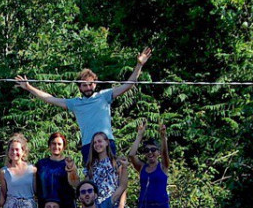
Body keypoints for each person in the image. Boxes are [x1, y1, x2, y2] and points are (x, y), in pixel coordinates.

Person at [14, 47, 152, 163]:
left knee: (111, 179)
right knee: (92, 182)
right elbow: (50, 99)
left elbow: (129, 85)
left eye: (90, 84)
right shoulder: (75, 103)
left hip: (107, 142)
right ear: (79, 87)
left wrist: (139, 65)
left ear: (95, 84)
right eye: (84, 85)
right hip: (88, 145)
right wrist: (29, 87)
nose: (88, 88)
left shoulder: (104, 96)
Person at [127, 119, 172, 208]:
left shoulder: (163, 166)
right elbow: (131, 155)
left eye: (153, 150)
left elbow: (165, 155)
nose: (150, 153)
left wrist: (163, 137)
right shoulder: (142, 167)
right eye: (147, 150)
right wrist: (139, 136)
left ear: (157, 152)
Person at [35, 132, 79, 208]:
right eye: (53, 143)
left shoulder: (68, 163)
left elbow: (75, 184)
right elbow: (36, 185)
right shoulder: (41, 164)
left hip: (65, 207)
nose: (56, 146)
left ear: (63, 147)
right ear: (49, 145)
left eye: (59, 144)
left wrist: (71, 170)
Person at [0, 133, 39, 208]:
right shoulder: (4, 172)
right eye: (12, 149)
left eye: (17, 149)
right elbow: (3, 194)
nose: (14, 152)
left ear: (23, 151)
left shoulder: (32, 169)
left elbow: (36, 192)